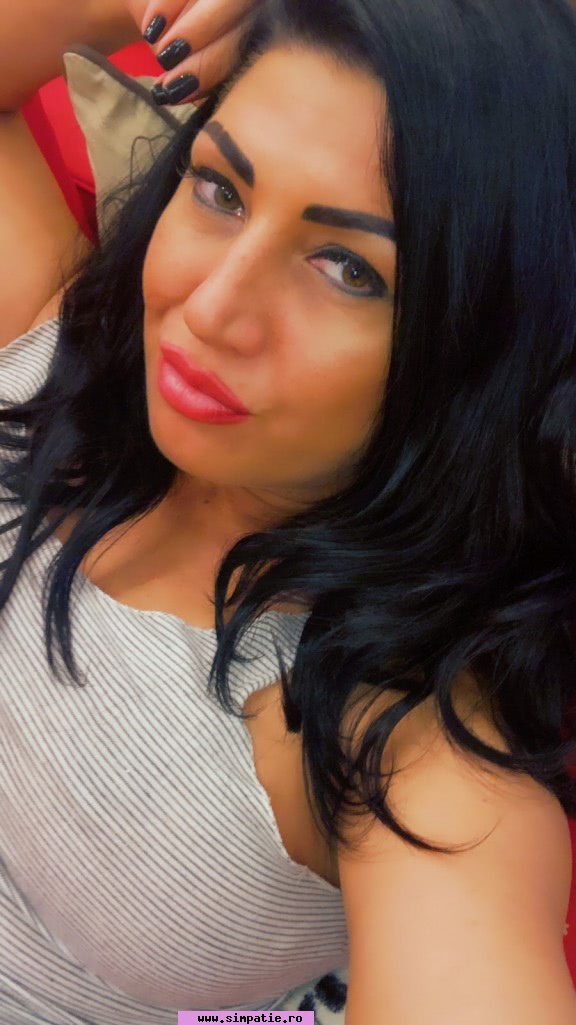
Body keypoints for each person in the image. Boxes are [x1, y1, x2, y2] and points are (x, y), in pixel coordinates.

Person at [1, 0, 576, 1022]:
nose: (209, 306)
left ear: (486, 347)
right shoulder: (55, 358)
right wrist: (149, 10)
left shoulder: (401, 745)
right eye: (220, 189)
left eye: (349, 267)